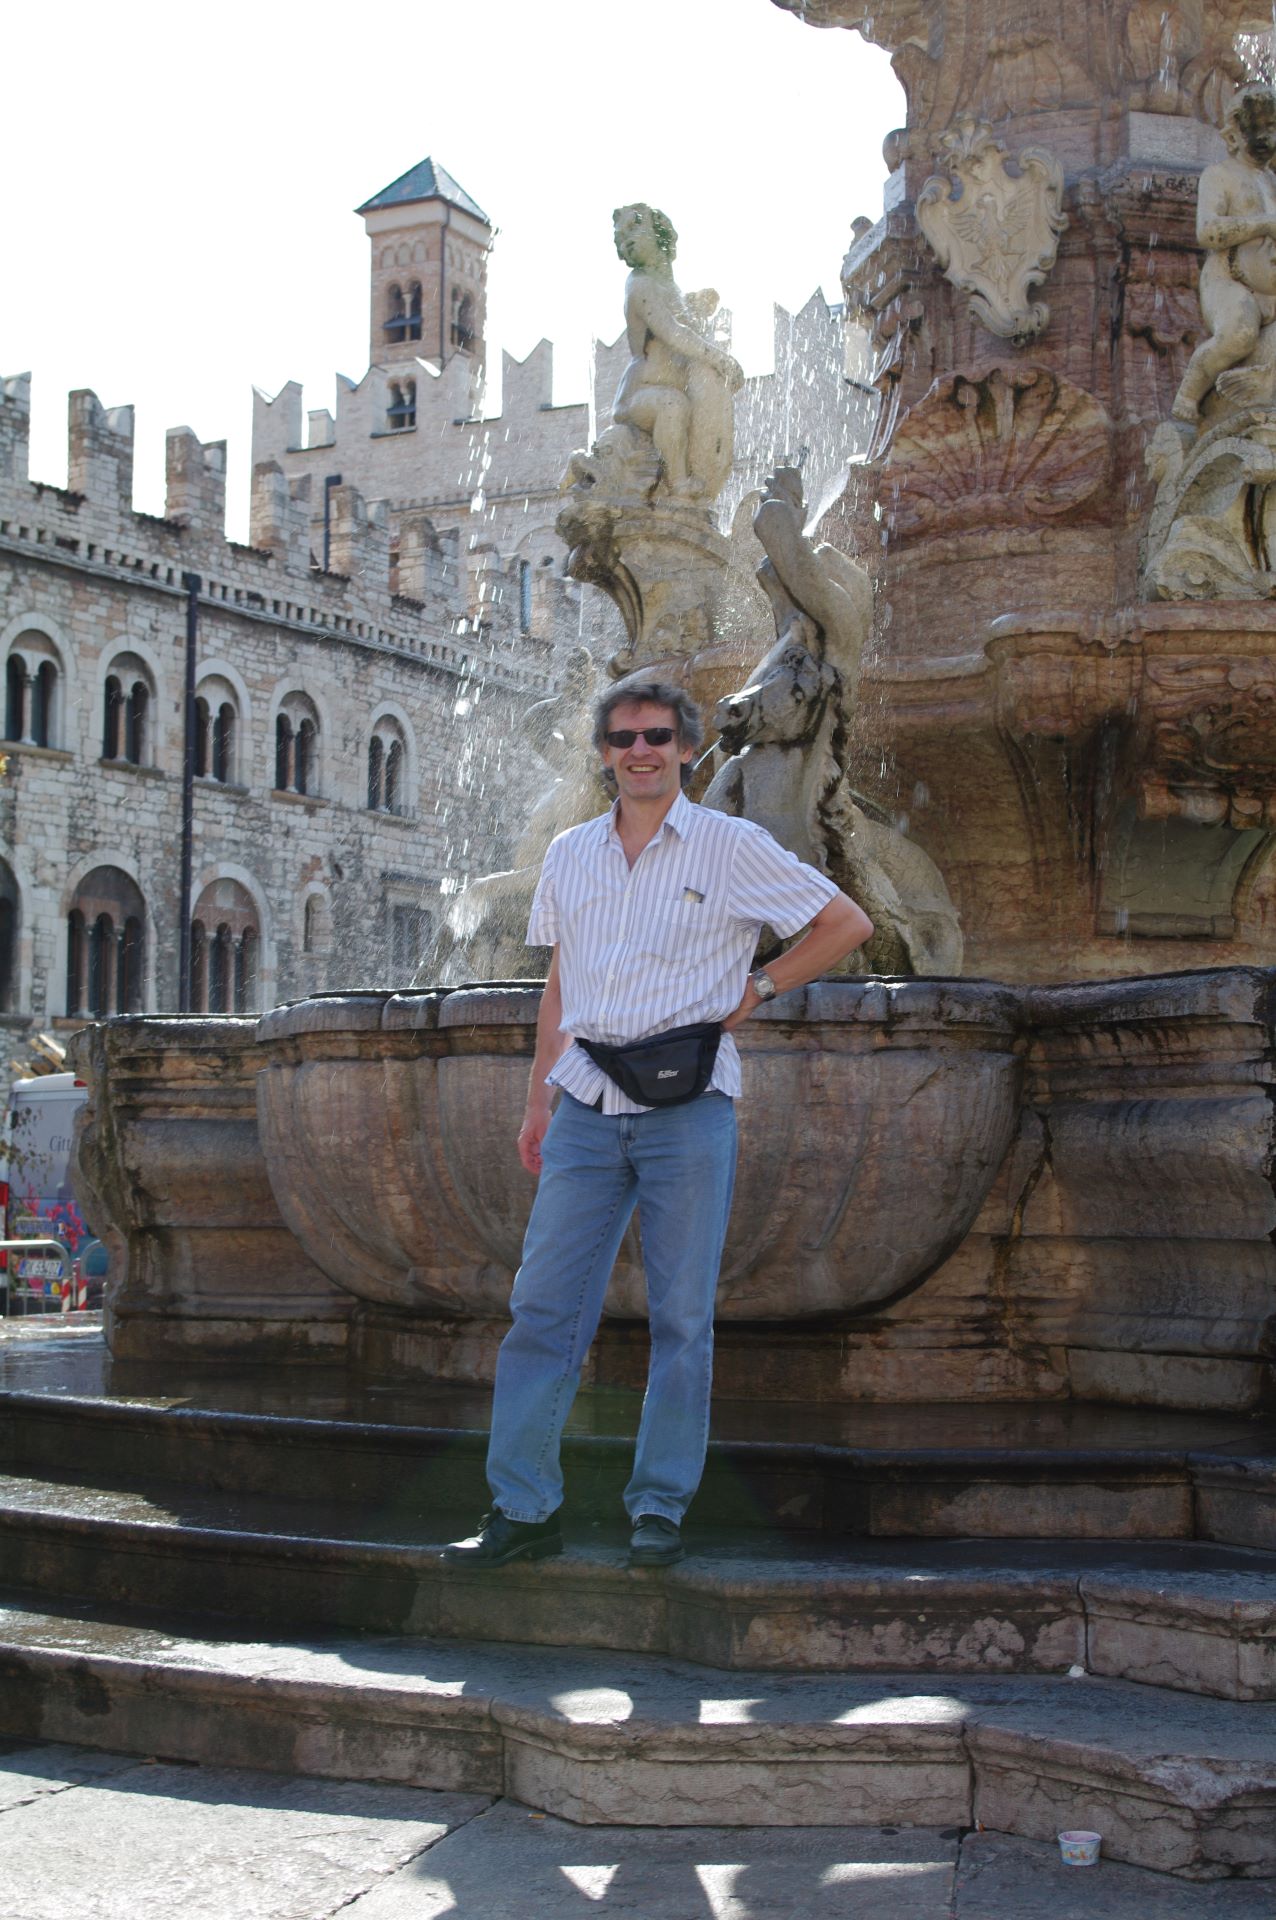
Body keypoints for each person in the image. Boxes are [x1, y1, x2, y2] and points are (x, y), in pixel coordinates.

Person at [444, 673, 873, 1571]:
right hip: (587, 1106)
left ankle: (660, 1508)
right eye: (625, 738)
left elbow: (845, 923)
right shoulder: (570, 855)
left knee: (682, 1317)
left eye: (658, 737)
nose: (641, 751)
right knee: (541, 1311)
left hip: (691, 1108)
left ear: (687, 748)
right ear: (604, 755)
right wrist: (538, 1096)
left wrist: (757, 989)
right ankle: (524, 1507)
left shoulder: (730, 845)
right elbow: (564, 976)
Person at [1172, 84, 1276, 424]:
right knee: (1238, 334)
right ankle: (1190, 390)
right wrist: (1263, 224)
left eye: (1272, 127)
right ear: (1235, 134)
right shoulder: (1220, 176)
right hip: (1227, 281)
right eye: (1258, 127)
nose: (1267, 136)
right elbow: (1208, 231)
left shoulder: (1272, 181)